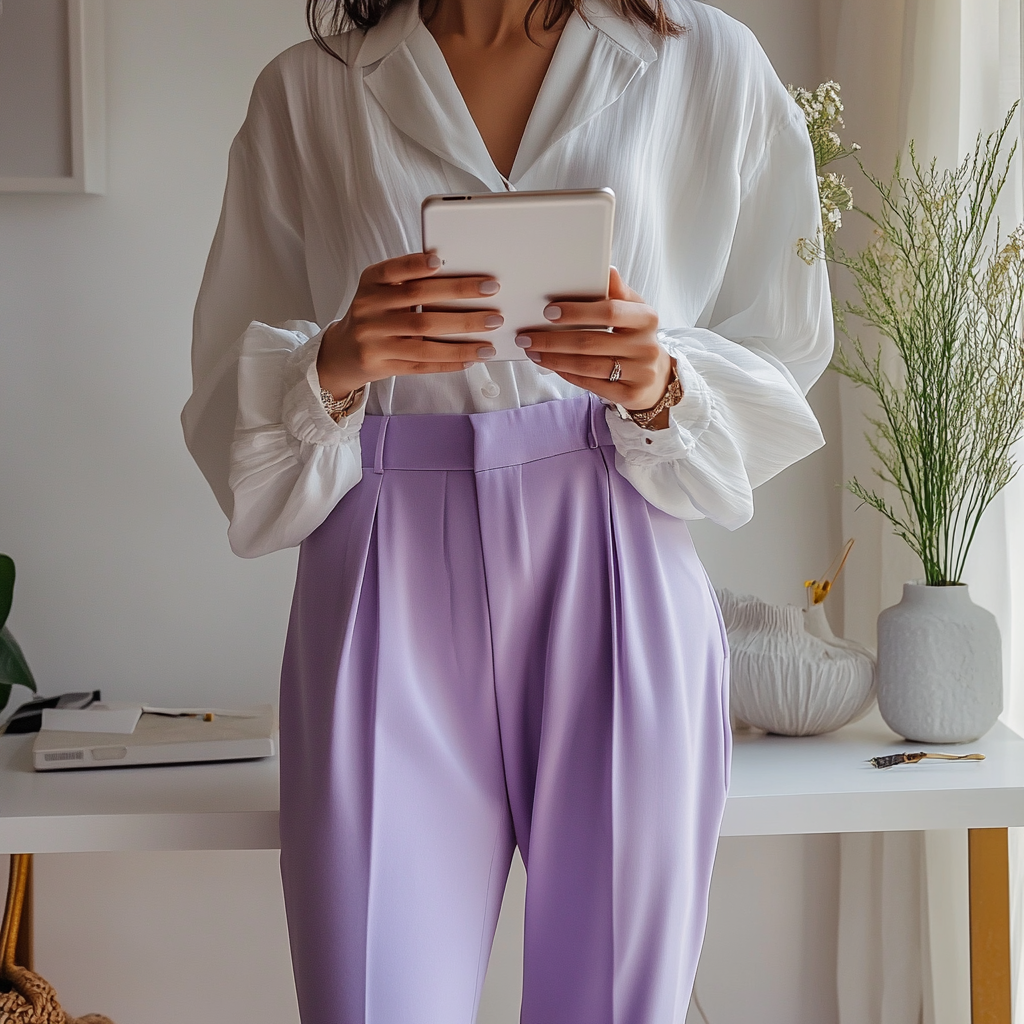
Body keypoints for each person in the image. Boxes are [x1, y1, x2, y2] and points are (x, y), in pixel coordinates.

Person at [182, 0, 832, 1018]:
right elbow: (228, 373)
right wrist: (338, 361)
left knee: (613, 1002)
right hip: (385, 561)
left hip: (614, 539)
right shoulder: (308, 93)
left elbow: (785, 345)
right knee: (371, 997)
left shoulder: (706, 62)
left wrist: (661, 379)